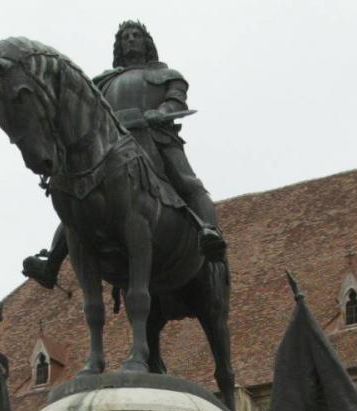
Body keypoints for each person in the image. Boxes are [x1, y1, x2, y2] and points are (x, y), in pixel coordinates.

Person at [23, 19, 224, 288]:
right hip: (109, 148)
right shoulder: (102, 82)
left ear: (146, 43)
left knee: (188, 183)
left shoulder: (167, 75)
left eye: (136, 35)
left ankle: (208, 233)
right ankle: (52, 263)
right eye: (125, 37)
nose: (130, 40)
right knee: (76, 197)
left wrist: (161, 113)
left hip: (155, 138)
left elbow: (176, 100)